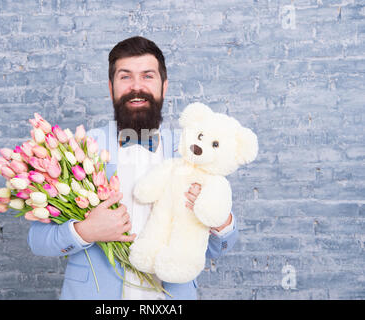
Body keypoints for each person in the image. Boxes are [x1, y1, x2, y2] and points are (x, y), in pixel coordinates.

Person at [27, 36, 238, 300]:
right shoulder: (78, 149)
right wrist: (85, 231)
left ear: (164, 86)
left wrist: (219, 220)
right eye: (125, 77)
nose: (136, 86)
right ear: (110, 86)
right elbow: (37, 240)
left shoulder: (194, 150)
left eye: (148, 76)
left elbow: (220, 247)